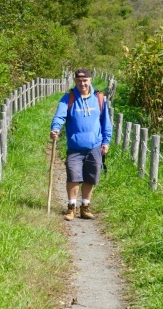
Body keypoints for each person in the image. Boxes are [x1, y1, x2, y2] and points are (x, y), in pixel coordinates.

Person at [50, 68, 112, 220]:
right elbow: (59, 116)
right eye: (79, 80)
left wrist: (106, 141)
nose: (82, 83)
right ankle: (71, 208)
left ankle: (85, 207)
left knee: (90, 177)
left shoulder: (99, 98)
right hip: (75, 147)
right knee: (73, 176)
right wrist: (55, 129)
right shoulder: (68, 98)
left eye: (85, 80)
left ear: (90, 80)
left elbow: (106, 122)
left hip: (95, 146)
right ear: (75, 81)